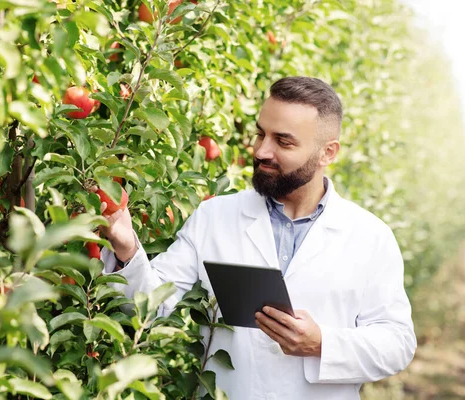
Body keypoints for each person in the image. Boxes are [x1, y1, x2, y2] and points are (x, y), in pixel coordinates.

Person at [99, 76, 417, 400]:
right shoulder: (215, 218)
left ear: (327, 153)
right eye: (260, 134)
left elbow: (397, 344)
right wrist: (126, 248)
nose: (262, 150)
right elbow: (150, 306)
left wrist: (323, 343)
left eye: (284, 141)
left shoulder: (369, 237)